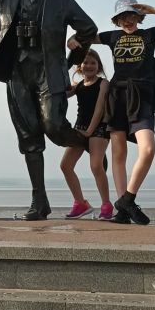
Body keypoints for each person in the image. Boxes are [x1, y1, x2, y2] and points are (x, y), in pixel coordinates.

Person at [0, 0, 98, 220]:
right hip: (17, 71)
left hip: (48, 71)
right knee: (29, 137)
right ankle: (40, 200)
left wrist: (71, 58)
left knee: (53, 126)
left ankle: (87, 143)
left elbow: (88, 28)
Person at [68, 0, 155, 225]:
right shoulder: (112, 37)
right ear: (116, 20)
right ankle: (122, 211)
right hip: (117, 96)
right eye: (122, 16)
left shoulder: (149, 35)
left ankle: (128, 199)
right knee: (118, 154)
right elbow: (80, 38)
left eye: (132, 15)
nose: (127, 20)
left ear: (138, 16)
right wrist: (73, 40)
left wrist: (153, 9)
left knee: (148, 148)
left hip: (141, 97)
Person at [60, 49, 113, 220]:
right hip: (80, 127)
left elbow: (99, 108)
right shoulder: (79, 85)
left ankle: (106, 205)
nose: (89, 65)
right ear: (80, 66)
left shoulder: (103, 83)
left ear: (98, 66)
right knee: (65, 166)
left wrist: (90, 130)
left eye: (93, 63)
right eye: (86, 62)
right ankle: (80, 203)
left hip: (99, 128)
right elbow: (60, 95)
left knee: (96, 165)